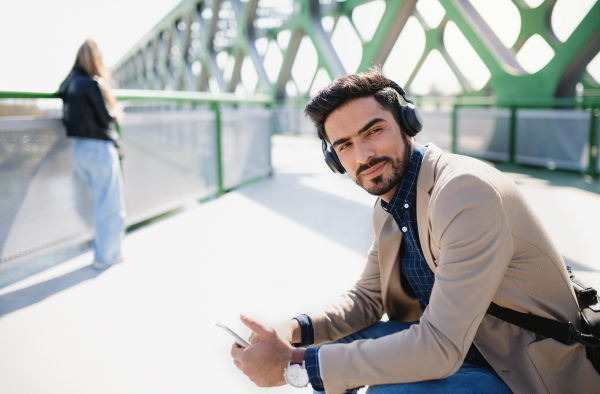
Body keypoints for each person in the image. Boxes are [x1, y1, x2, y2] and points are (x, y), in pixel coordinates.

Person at [230, 67, 600, 393]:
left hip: (521, 370)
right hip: (468, 349)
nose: (363, 155)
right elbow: (367, 300)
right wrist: (291, 331)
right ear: (334, 160)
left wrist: (295, 365)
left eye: (373, 131)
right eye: (345, 145)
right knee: (336, 342)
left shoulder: (464, 193)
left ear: (408, 125)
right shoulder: (390, 205)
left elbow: (438, 347)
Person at [58, 38, 126, 270]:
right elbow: (106, 118)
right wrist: (116, 110)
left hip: (80, 150)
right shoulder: (94, 83)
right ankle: (106, 257)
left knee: (101, 204)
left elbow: (63, 91)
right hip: (100, 149)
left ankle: (106, 252)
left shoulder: (69, 84)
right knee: (111, 205)